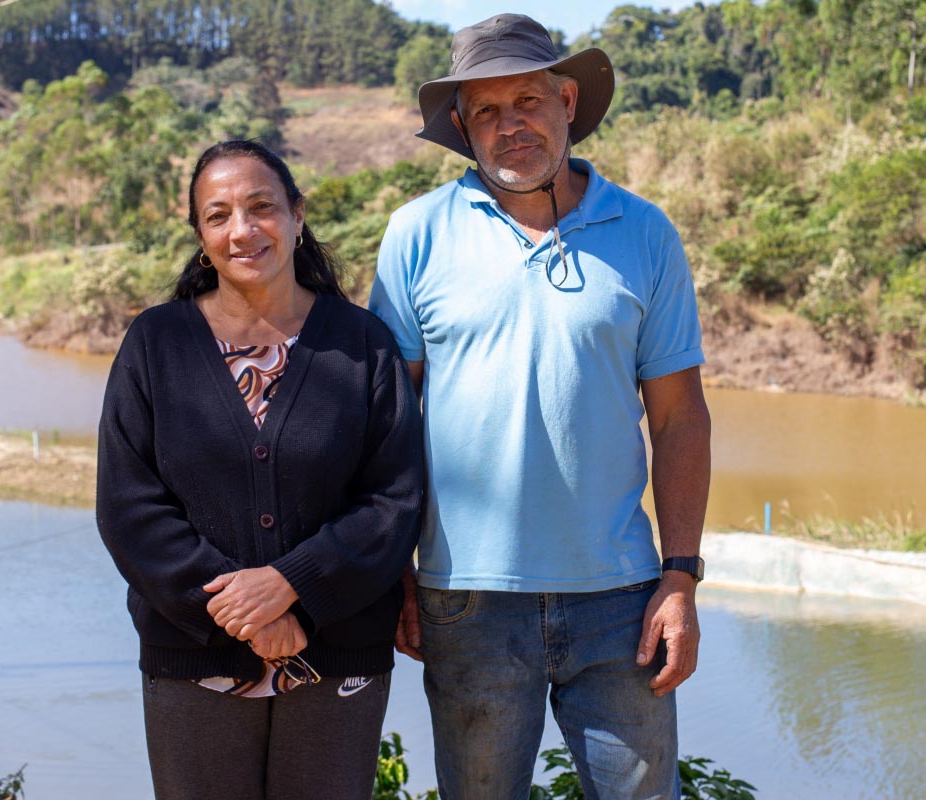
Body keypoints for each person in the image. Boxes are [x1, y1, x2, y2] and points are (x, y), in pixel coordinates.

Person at [368, 13, 711, 800]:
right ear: (461, 126)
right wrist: (395, 576)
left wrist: (681, 578)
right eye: (486, 110)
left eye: (527, 100)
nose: (509, 124)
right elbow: (388, 424)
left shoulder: (645, 233)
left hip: (623, 599)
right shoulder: (417, 234)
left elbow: (680, 418)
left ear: (566, 101)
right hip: (466, 599)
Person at [97, 140, 423, 800]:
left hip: (337, 654)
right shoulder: (154, 344)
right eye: (218, 215)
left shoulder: (362, 344)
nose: (242, 230)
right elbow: (129, 505)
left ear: (298, 217)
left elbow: (395, 497)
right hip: (194, 658)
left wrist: (290, 585)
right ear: (199, 234)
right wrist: (246, 609)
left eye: (261, 207)